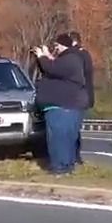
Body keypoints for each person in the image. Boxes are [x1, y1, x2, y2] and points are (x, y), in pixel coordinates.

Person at [31, 31, 92, 174]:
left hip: (63, 106)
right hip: (66, 106)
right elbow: (53, 67)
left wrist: (42, 56)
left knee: (59, 139)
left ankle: (60, 167)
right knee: (65, 138)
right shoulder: (69, 59)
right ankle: (66, 166)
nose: (55, 48)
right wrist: (45, 56)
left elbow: (51, 68)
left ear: (63, 45)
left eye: (57, 45)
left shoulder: (71, 59)